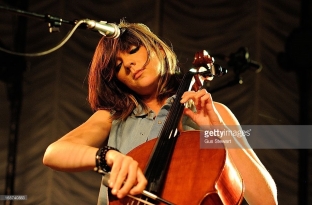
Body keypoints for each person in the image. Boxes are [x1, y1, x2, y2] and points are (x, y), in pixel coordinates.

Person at [43, 21, 277, 205]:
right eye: (117, 66)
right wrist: (110, 157)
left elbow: (266, 201)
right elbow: (54, 153)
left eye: (133, 51)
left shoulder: (214, 113)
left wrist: (216, 130)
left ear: (159, 49)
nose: (129, 65)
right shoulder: (115, 117)